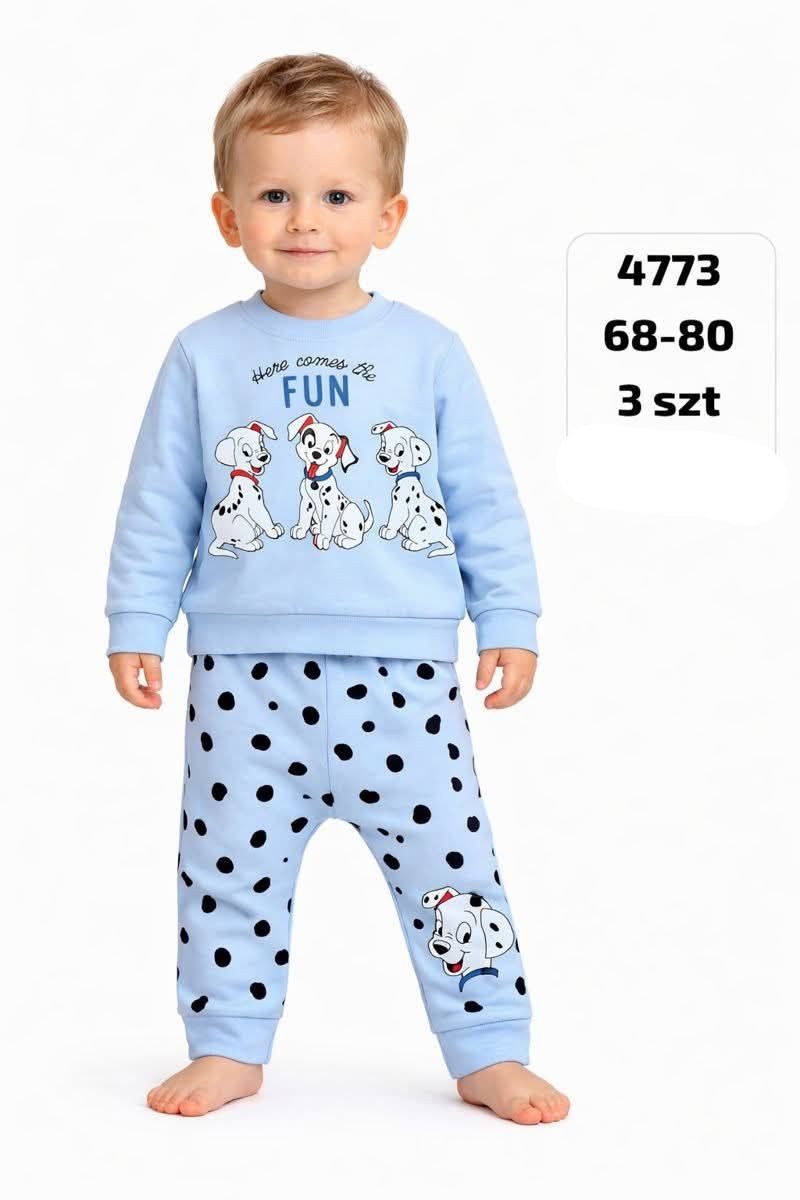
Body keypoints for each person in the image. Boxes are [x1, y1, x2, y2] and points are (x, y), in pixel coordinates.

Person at [105, 52, 569, 1126]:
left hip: (404, 678)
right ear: (227, 216)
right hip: (242, 682)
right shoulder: (203, 354)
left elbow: (483, 497)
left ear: (388, 215)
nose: (304, 220)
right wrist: (137, 619)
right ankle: (227, 1042)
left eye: (337, 196)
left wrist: (509, 617)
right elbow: (159, 499)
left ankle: (488, 1046)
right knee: (226, 873)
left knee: (451, 869)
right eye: (274, 194)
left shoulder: (429, 352)